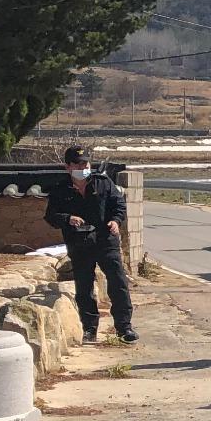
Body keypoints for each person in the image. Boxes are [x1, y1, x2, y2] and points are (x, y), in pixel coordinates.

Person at [44, 146, 137, 344]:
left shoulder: (103, 183)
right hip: (79, 243)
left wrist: (115, 221)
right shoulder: (60, 189)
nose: (83, 167)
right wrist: (68, 219)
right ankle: (89, 329)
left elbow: (118, 205)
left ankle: (124, 327)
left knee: (118, 282)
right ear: (68, 167)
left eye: (85, 163)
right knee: (84, 286)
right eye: (78, 164)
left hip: (106, 240)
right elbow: (50, 216)